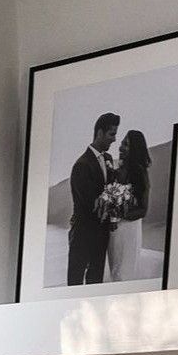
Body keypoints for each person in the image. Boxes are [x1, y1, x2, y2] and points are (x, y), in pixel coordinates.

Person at [67, 112, 120, 286]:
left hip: (102, 234)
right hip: (83, 234)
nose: (114, 139)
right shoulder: (81, 165)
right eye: (111, 134)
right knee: (75, 281)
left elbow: (112, 188)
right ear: (99, 133)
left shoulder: (108, 159)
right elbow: (90, 204)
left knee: (95, 282)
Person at [108, 130, 151, 281]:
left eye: (125, 144)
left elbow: (143, 209)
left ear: (135, 149)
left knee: (124, 271)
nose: (120, 147)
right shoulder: (117, 169)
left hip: (128, 229)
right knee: (115, 268)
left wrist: (119, 213)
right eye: (122, 143)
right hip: (114, 230)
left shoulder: (139, 172)